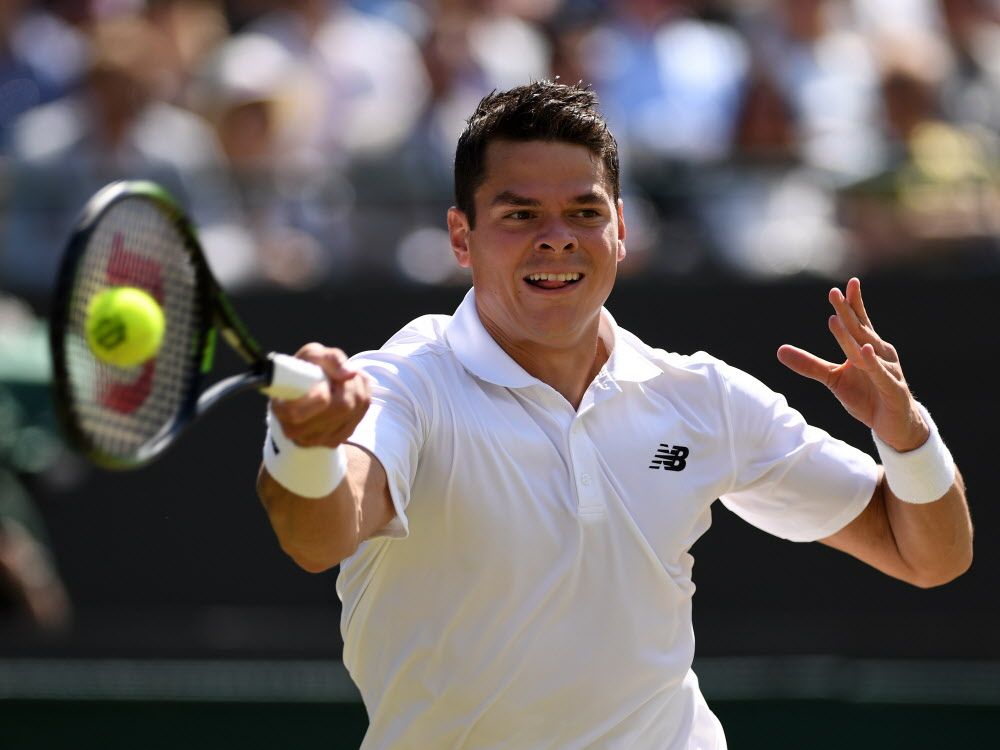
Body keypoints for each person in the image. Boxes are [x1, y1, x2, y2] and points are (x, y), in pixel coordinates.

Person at [257, 80, 973, 749]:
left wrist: (906, 437)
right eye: (519, 214)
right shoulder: (407, 383)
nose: (558, 237)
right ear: (460, 236)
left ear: (621, 228)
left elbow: (930, 555)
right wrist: (306, 448)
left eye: (585, 212)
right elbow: (319, 535)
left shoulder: (701, 396)